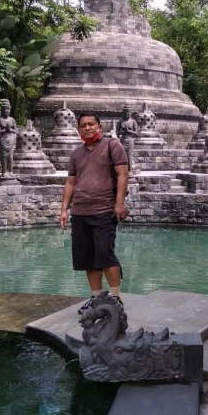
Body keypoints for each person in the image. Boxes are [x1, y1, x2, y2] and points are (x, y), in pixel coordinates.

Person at [60, 113, 130, 314]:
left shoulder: (111, 146)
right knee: (88, 258)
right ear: (78, 129)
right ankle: (97, 298)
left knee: (105, 254)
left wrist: (119, 204)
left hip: (104, 210)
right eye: (83, 125)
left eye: (91, 124)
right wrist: (64, 209)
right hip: (80, 212)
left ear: (99, 126)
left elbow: (123, 174)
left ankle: (116, 297)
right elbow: (71, 182)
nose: (88, 128)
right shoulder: (76, 154)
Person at [0, 99, 17, 178]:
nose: (7, 111)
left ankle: (10, 171)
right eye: (6, 109)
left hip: (10, 139)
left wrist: (10, 130)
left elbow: (16, 130)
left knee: (10, 156)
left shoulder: (12, 120)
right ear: (2, 110)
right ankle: (4, 171)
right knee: (3, 155)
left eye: (9, 109)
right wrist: (4, 130)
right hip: (2, 139)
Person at [116, 104, 138, 175]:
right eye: (125, 114)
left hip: (130, 139)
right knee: (122, 155)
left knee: (129, 155)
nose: (127, 115)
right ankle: (122, 170)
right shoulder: (120, 122)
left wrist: (129, 131)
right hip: (123, 139)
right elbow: (117, 133)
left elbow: (136, 133)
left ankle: (129, 170)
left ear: (130, 113)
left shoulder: (133, 122)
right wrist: (122, 132)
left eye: (128, 114)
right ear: (123, 113)